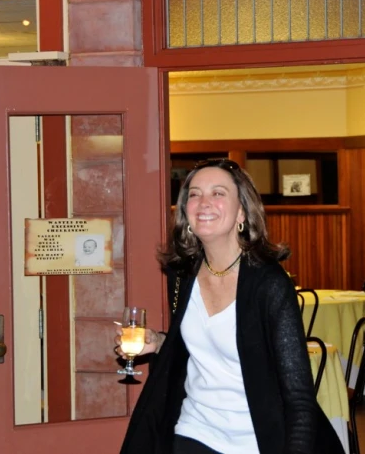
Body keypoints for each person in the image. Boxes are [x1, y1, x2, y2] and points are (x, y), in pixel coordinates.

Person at [117, 159, 344, 454]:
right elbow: (199, 348)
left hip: (255, 440)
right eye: (194, 194)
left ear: (241, 213)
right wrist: (158, 342)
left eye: (218, 193)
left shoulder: (269, 284)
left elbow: (299, 397)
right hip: (193, 430)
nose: (203, 202)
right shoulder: (183, 273)